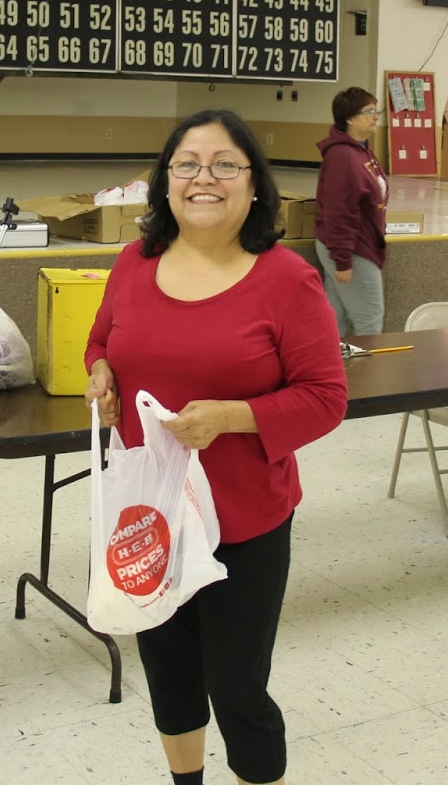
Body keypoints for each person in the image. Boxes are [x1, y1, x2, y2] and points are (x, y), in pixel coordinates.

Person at [85, 109, 348, 785]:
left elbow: (325, 397)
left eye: (225, 164)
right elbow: (101, 341)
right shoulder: (134, 262)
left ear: (254, 184)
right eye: (187, 165)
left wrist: (232, 418)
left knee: (237, 688)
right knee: (169, 674)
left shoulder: (287, 280)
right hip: (150, 515)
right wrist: (101, 372)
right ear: (165, 183)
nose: (204, 178)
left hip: (244, 519)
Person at [313, 87, 389, 336]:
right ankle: (369, 375)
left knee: (335, 318)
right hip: (352, 249)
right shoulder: (343, 156)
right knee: (370, 322)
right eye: (369, 111)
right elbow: (340, 212)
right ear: (350, 118)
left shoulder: (360, 149)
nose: (376, 116)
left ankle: (333, 371)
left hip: (355, 245)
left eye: (376, 110)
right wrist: (343, 258)